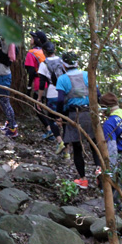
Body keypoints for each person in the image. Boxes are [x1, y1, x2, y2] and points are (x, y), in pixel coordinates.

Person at [55, 52, 101, 189]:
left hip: (74, 115)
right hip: (90, 114)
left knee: (77, 148)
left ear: (64, 65)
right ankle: (99, 170)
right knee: (94, 145)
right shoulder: (87, 75)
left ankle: (83, 179)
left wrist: (60, 116)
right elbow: (97, 94)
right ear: (77, 63)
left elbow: (60, 101)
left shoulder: (62, 79)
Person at [37, 41, 69, 158]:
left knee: (52, 119)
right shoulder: (61, 61)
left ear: (44, 52)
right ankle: (67, 152)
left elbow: (42, 83)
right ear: (54, 50)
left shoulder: (44, 64)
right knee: (65, 119)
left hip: (52, 93)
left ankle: (60, 141)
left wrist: (39, 98)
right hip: (64, 93)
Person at [0, 34, 18, 138]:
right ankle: (10, 123)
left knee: (5, 101)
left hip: (2, 76)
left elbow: (9, 58)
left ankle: (13, 129)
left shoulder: (8, 41)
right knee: (0, 100)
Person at [24, 30, 50, 138]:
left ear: (36, 40)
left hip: (39, 84)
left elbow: (30, 71)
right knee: (48, 108)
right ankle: (54, 129)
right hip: (50, 84)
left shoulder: (31, 53)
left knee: (37, 107)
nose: (30, 39)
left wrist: (29, 87)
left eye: (32, 38)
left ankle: (49, 129)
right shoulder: (46, 52)